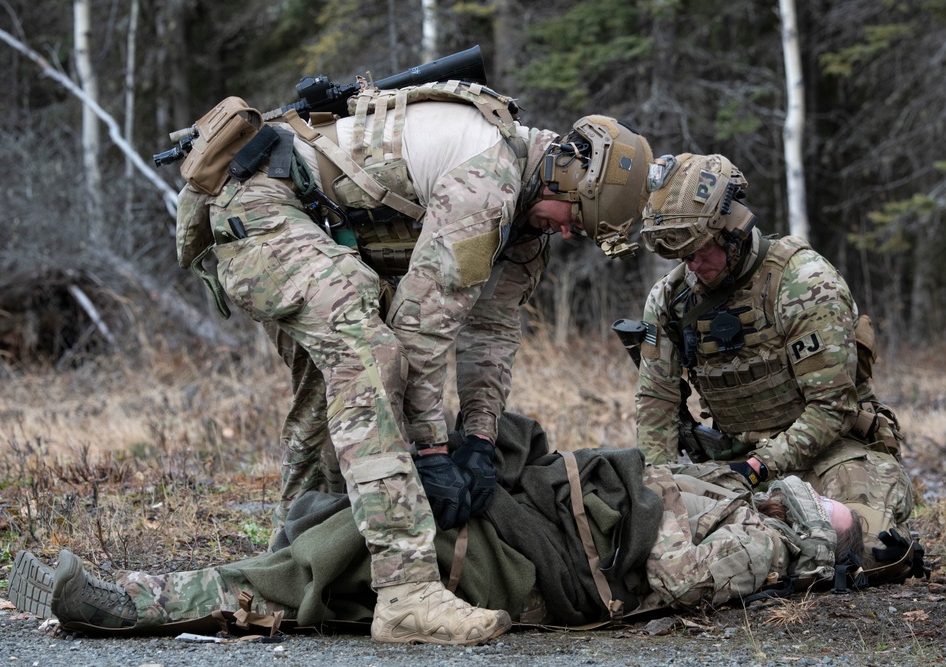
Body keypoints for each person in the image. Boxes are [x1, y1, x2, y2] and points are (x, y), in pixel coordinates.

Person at [172, 84, 654, 645]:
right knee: (371, 358)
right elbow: (421, 333)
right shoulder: (488, 183)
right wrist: (429, 451)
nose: (570, 232)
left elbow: (491, 334)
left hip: (310, 224)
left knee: (332, 393)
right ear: (568, 177)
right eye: (578, 218)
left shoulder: (527, 221)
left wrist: (477, 439)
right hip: (257, 207)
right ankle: (405, 592)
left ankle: (298, 553)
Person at [7, 413, 879, 636]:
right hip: (523, 520)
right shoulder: (721, 490)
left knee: (325, 577)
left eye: (835, 517)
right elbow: (604, 475)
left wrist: (801, 533)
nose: (827, 506)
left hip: (519, 560)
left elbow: (672, 575)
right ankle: (132, 598)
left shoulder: (760, 544)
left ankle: (127, 600)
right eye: (834, 509)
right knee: (330, 554)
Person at [633, 152, 914, 548]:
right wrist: (659, 487)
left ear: (732, 233)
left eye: (701, 251)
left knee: (859, 545)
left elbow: (830, 409)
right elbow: (656, 399)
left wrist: (758, 468)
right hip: (736, 462)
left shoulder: (802, 283)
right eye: (682, 256)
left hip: (830, 455)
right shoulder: (670, 299)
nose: (692, 266)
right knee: (660, 540)